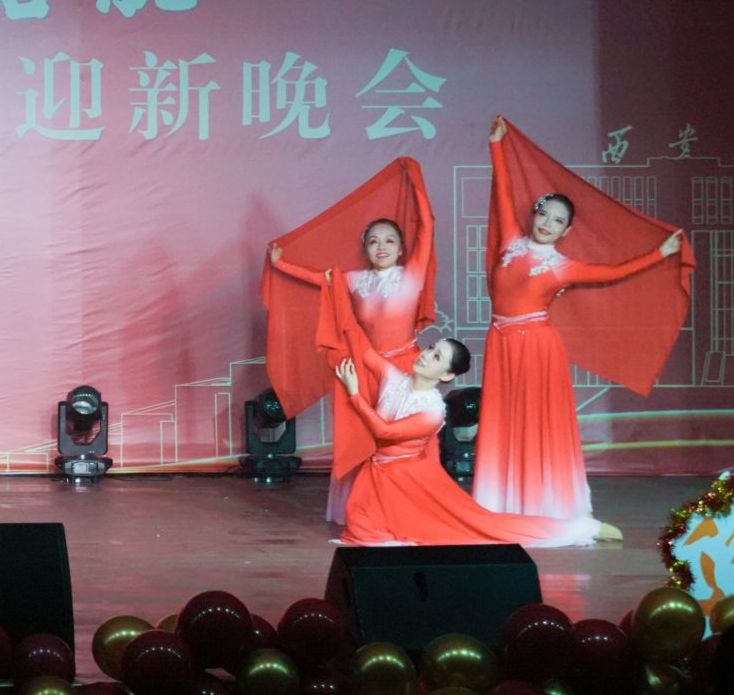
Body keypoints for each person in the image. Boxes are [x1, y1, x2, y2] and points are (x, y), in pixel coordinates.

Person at [475, 116, 686, 519]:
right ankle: (502, 498)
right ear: (533, 215)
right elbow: (503, 191)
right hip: (500, 341)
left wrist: (659, 254)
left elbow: (615, 273)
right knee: (504, 420)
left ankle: (544, 500)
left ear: (567, 230)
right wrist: (497, 146)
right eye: (544, 214)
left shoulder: (563, 267)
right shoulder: (510, 240)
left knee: (535, 422)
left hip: (537, 347)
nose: (547, 223)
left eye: (558, 220)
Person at [321, 269, 615, 547]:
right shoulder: (393, 377)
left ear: (447, 375)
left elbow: (383, 431)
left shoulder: (432, 411)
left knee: (480, 528)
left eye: (437, 357)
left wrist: (355, 394)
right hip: (378, 478)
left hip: (411, 483)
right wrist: (338, 296)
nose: (426, 356)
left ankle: (580, 529)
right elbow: (360, 344)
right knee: (360, 528)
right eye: (430, 349)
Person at [265, 158, 436, 524]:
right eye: (373, 241)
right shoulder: (357, 280)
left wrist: (417, 182)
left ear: (402, 249)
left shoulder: (413, 274)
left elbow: (428, 225)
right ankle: (363, 509)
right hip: (364, 369)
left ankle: (401, 508)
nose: (381, 246)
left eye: (389, 240)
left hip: (405, 369)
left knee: (396, 442)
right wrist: (281, 266)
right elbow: (320, 280)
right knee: (363, 438)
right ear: (365, 249)